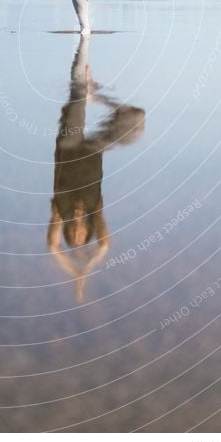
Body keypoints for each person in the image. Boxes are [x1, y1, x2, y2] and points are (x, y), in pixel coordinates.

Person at [47, 37, 145, 301]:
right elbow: (105, 245)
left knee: (77, 93)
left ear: (67, 230)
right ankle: (98, 95)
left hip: (68, 146)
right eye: (81, 235)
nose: (77, 232)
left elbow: (52, 247)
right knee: (137, 119)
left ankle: (87, 90)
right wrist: (86, 269)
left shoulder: (60, 210)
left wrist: (72, 270)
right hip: (93, 151)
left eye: (73, 235)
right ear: (89, 229)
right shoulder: (96, 209)